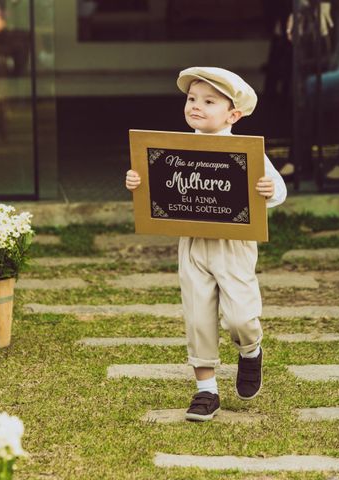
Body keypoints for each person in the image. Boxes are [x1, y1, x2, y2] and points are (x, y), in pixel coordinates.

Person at [126, 67, 287, 421]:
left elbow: (278, 190)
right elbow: (158, 187)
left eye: (208, 101)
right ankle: (206, 391)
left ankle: (250, 350)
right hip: (194, 241)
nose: (196, 106)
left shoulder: (246, 151)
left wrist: (269, 190)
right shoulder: (175, 150)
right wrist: (138, 179)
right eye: (192, 99)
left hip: (234, 244)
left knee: (241, 316)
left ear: (233, 114)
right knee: (198, 314)